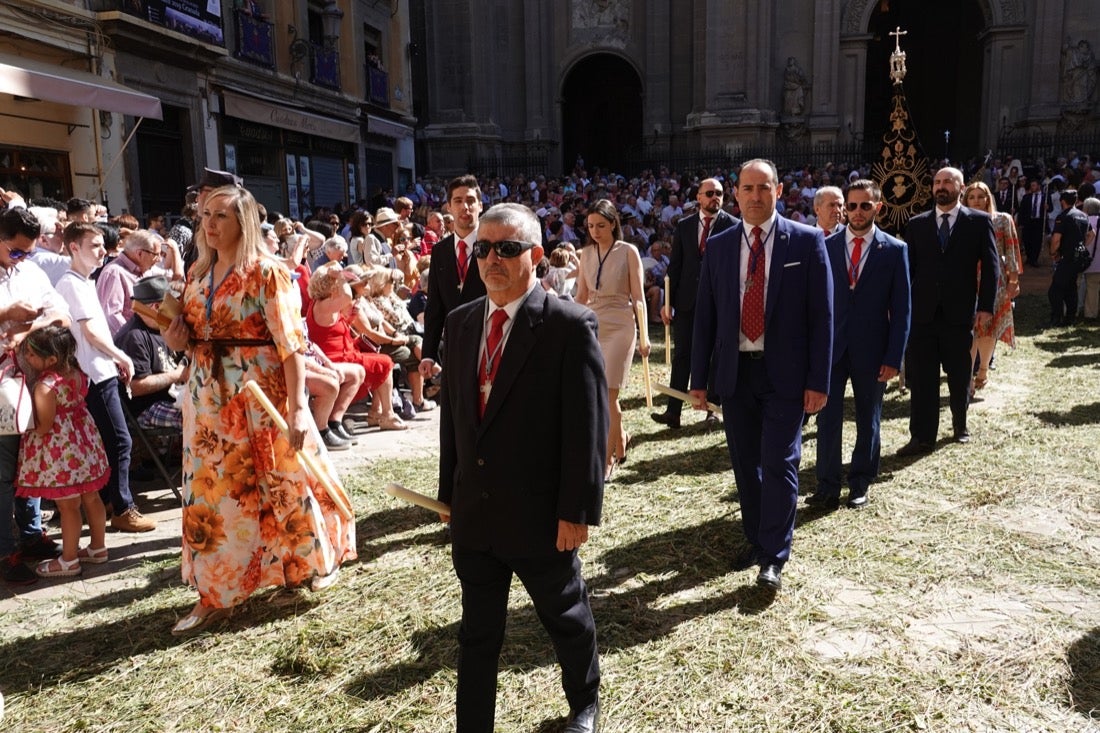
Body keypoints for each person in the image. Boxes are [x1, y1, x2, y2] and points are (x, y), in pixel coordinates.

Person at [437, 203, 607, 733]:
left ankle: (584, 702)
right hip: (477, 515)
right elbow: (454, 421)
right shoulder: (461, 322)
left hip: (541, 515)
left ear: (534, 256)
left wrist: (576, 510)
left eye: (507, 249)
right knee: (477, 634)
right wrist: (449, 495)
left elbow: (587, 428)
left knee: (566, 618)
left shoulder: (568, 325)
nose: (493, 259)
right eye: (484, 248)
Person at [162, 185, 356, 635]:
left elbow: (291, 346)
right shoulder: (197, 273)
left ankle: (311, 564)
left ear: (243, 222)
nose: (209, 224)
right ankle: (216, 590)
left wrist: (299, 409)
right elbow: (192, 337)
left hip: (261, 394)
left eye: (221, 216)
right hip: (209, 400)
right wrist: (176, 341)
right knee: (211, 495)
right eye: (205, 215)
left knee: (284, 483)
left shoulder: (268, 273)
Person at [689, 159, 833, 591]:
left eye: (763, 188)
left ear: (779, 190)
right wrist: (699, 379)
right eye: (747, 189)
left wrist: (819, 381)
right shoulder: (719, 244)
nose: (755, 196)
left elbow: (822, 316)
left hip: (785, 376)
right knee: (744, 464)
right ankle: (755, 538)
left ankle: (773, 556)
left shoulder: (806, 243)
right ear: (736, 194)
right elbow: (705, 318)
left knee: (780, 462)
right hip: (736, 375)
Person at [811, 179, 910, 510]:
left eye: (864, 205)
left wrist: (894, 356)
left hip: (874, 351)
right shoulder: (824, 246)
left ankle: (860, 481)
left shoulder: (895, 250)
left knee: (869, 417)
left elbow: (902, 310)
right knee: (827, 418)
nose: (855, 212)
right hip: (831, 350)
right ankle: (827, 484)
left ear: (878, 207)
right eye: (850, 206)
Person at [55, 222, 156, 533]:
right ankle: (123, 508)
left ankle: (112, 502)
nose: (103, 251)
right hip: (94, 374)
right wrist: (121, 355)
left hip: (101, 371)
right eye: (95, 246)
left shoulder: (84, 281)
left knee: (113, 441)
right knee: (120, 440)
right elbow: (90, 331)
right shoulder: (72, 283)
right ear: (74, 247)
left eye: (102, 245)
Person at [898, 167, 998, 455]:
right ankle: (922, 436)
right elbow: (909, 270)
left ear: (961, 186)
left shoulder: (978, 222)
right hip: (922, 314)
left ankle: (960, 425)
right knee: (923, 377)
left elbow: (991, 268)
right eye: (937, 182)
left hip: (959, 312)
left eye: (947, 182)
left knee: (958, 372)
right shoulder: (917, 224)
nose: (941, 186)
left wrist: (986, 306)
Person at [16, 325, 110, 577]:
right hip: (85, 445)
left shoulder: (45, 386)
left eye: (31, 354)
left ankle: (68, 560)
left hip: (62, 454)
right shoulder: (76, 373)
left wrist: (25, 425)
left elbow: (45, 426)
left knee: (68, 506)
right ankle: (98, 548)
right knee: (92, 497)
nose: (27, 358)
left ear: (52, 359)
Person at [653, 177, 738, 430]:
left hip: (719, 301)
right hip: (688, 301)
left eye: (720, 193)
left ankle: (712, 409)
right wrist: (667, 302)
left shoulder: (733, 226)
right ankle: (673, 411)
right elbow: (676, 266)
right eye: (710, 193)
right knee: (682, 356)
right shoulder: (685, 226)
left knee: (715, 354)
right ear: (698, 197)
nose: (715, 197)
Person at [575, 198, 648, 479]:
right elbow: (581, 296)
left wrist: (643, 336)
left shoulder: (628, 251)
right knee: (597, 393)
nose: (595, 231)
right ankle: (621, 440)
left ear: (613, 223)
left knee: (609, 393)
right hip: (594, 324)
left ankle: (605, 461)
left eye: (601, 225)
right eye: (591, 226)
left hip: (621, 325)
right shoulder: (585, 253)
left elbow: (639, 298)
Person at [306, 264, 406, 431]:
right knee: (384, 362)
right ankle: (384, 414)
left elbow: (336, 331)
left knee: (382, 361)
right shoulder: (324, 305)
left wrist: (351, 317)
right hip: (334, 357)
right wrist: (340, 276)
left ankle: (378, 412)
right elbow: (346, 296)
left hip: (343, 352)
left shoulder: (326, 305)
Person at [419, 175, 487, 379]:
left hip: (488, 345)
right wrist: (428, 354)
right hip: (454, 349)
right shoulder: (440, 250)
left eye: (470, 200)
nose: (465, 207)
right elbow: (434, 306)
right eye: (458, 201)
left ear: (480, 206)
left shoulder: (493, 246)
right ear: (448, 207)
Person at [962, 182, 1021, 390]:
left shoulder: (1002, 220)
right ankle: (966, 376)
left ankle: (983, 370)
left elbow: (1012, 250)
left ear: (988, 198)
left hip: (994, 280)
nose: (977, 200)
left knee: (989, 328)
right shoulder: (961, 221)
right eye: (972, 197)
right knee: (971, 329)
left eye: (981, 196)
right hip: (966, 280)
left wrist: (1013, 280)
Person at [114, 274, 185, 431]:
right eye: (171, 302)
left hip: (172, 396)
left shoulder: (161, 326)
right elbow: (135, 387)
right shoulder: (134, 336)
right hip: (145, 407)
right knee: (192, 418)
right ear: (157, 307)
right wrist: (177, 375)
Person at [1047, 190, 1088, 327]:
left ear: (1062, 202)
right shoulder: (1083, 216)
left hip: (1067, 257)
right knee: (1071, 287)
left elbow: (1056, 239)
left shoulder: (1063, 216)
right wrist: (1080, 245)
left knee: (1055, 290)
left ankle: (1056, 318)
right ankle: (1070, 318)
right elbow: (1091, 234)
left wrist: (1053, 253)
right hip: (1079, 257)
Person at [1081, 197, 1100, 319]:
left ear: (1086, 209)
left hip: (1089, 262)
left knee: (1091, 288)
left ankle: (1091, 314)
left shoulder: (1084, 222)